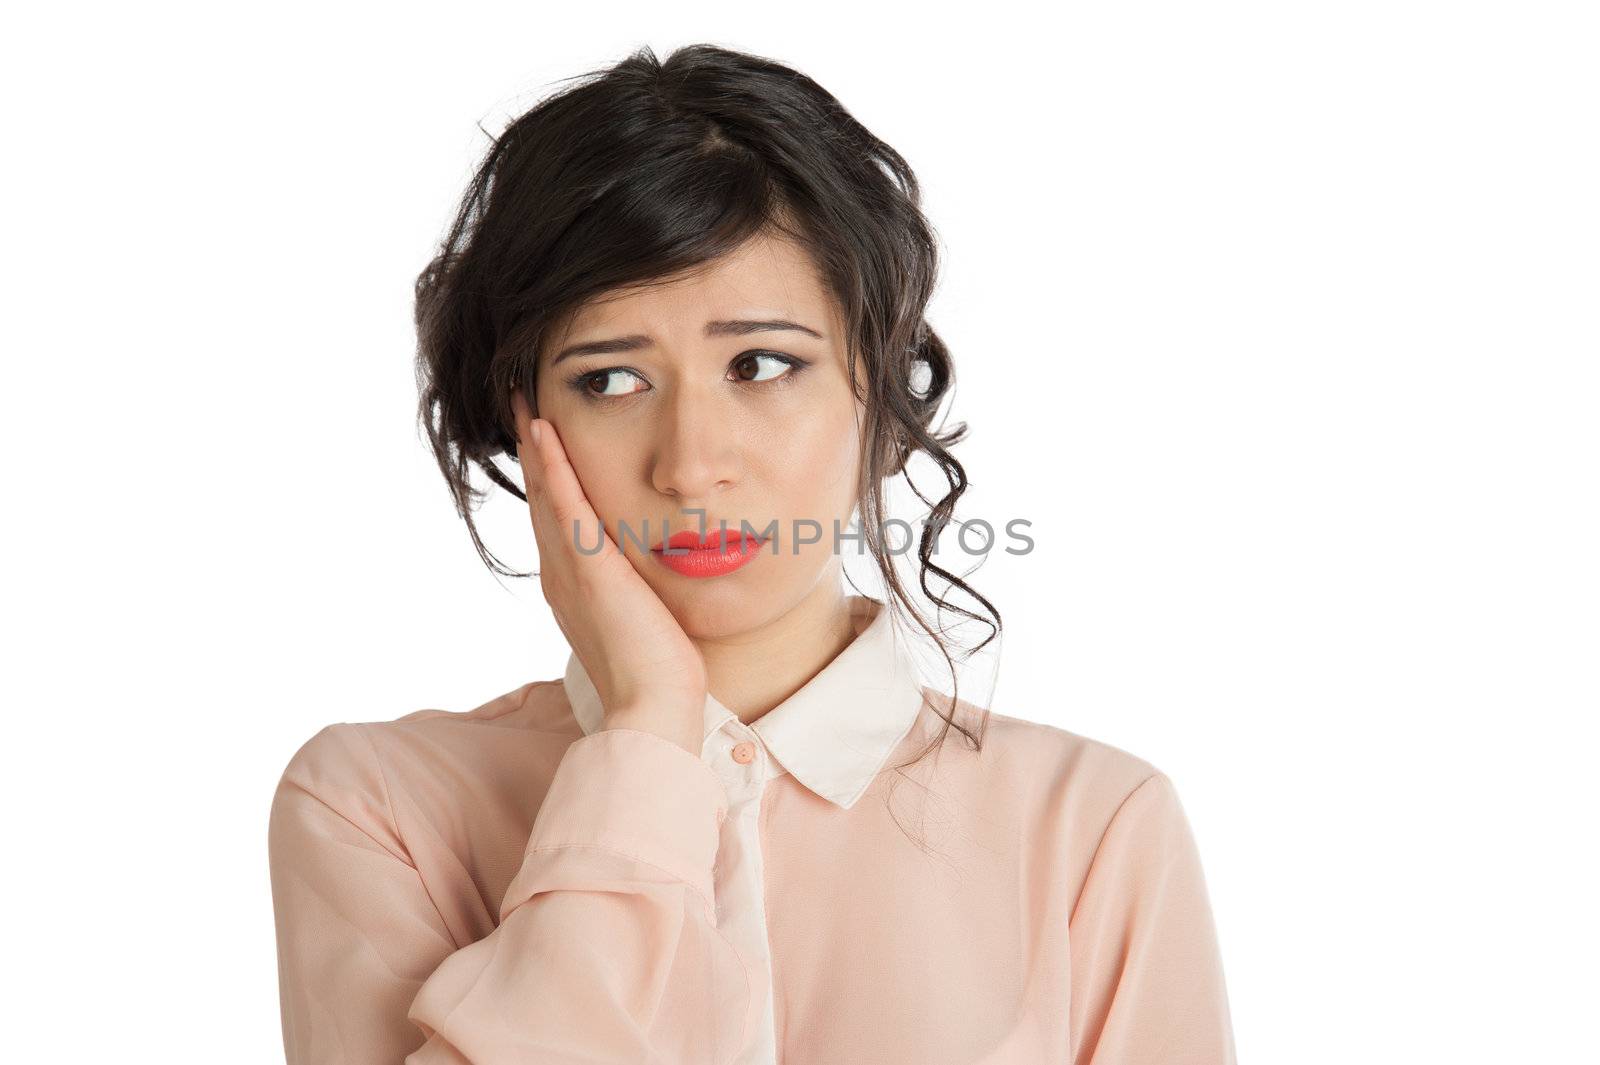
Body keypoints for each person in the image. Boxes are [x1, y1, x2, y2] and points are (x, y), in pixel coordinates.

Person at [267, 42, 1237, 1064]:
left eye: (761, 364)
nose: (690, 466)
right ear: (521, 418)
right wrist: (644, 733)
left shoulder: (1091, 830)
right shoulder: (377, 806)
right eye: (607, 380)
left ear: (878, 388)